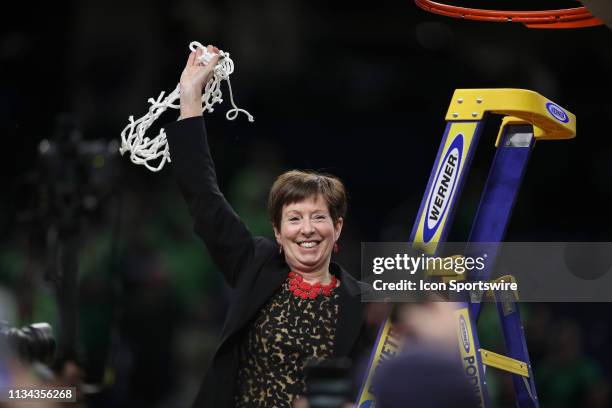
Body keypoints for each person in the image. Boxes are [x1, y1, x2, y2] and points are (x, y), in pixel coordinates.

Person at [165, 45, 369, 407]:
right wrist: (190, 97)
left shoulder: (360, 301)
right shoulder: (254, 263)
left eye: (318, 217)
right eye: (294, 218)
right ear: (277, 231)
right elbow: (203, 196)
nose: (307, 229)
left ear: (337, 228)